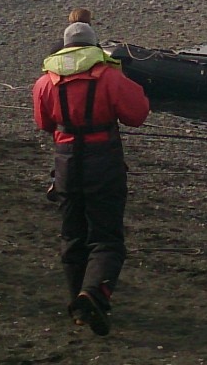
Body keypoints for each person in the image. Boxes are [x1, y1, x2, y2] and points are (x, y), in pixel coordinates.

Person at [31, 19, 149, 335]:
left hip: (66, 162)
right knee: (107, 237)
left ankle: (79, 305)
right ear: (94, 46)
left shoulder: (46, 81)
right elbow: (137, 115)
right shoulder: (109, 76)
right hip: (104, 160)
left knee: (72, 235)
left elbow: (43, 121)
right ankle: (93, 294)